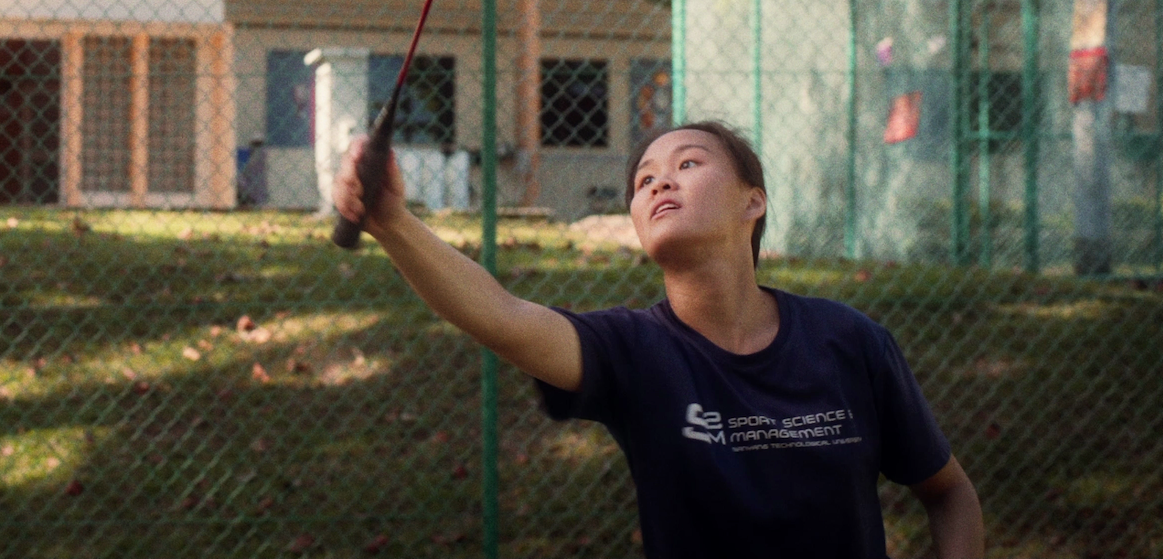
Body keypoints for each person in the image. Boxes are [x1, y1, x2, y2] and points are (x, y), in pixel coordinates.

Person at [333, 120, 983, 559]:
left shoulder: (852, 343)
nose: (660, 182)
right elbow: (503, 316)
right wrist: (392, 222)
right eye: (644, 180)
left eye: (688, 164)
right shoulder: (633, 352)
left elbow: (949, 493)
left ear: (752, 202)